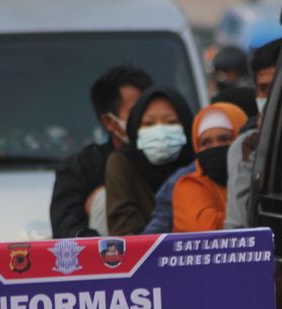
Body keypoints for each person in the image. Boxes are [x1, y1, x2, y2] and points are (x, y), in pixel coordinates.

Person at [49, 65, 153, 238]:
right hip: (112, 260)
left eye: (149, 108)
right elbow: (66, 232)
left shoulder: (176, 159)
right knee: (103, 200)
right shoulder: (79, 169)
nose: (147, 117)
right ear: (109, 122)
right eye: (137, 111)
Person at [105, 86, 195, 235]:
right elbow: (124, 230)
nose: (160, 132)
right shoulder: (122, 162)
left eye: (171, 122)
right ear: (136, 129)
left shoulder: (198, 164)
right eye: (149, 124)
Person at [224, 37, 282, 229]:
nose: (269, 97)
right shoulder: (247, 144)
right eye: (263, 89)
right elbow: (239, 224)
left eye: (276, 87)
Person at [172, 103, 248, 232]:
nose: (215, 147)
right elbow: (207, 228)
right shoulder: (189, 186)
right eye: (205, 143)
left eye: (224, 139)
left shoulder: (259, 180)